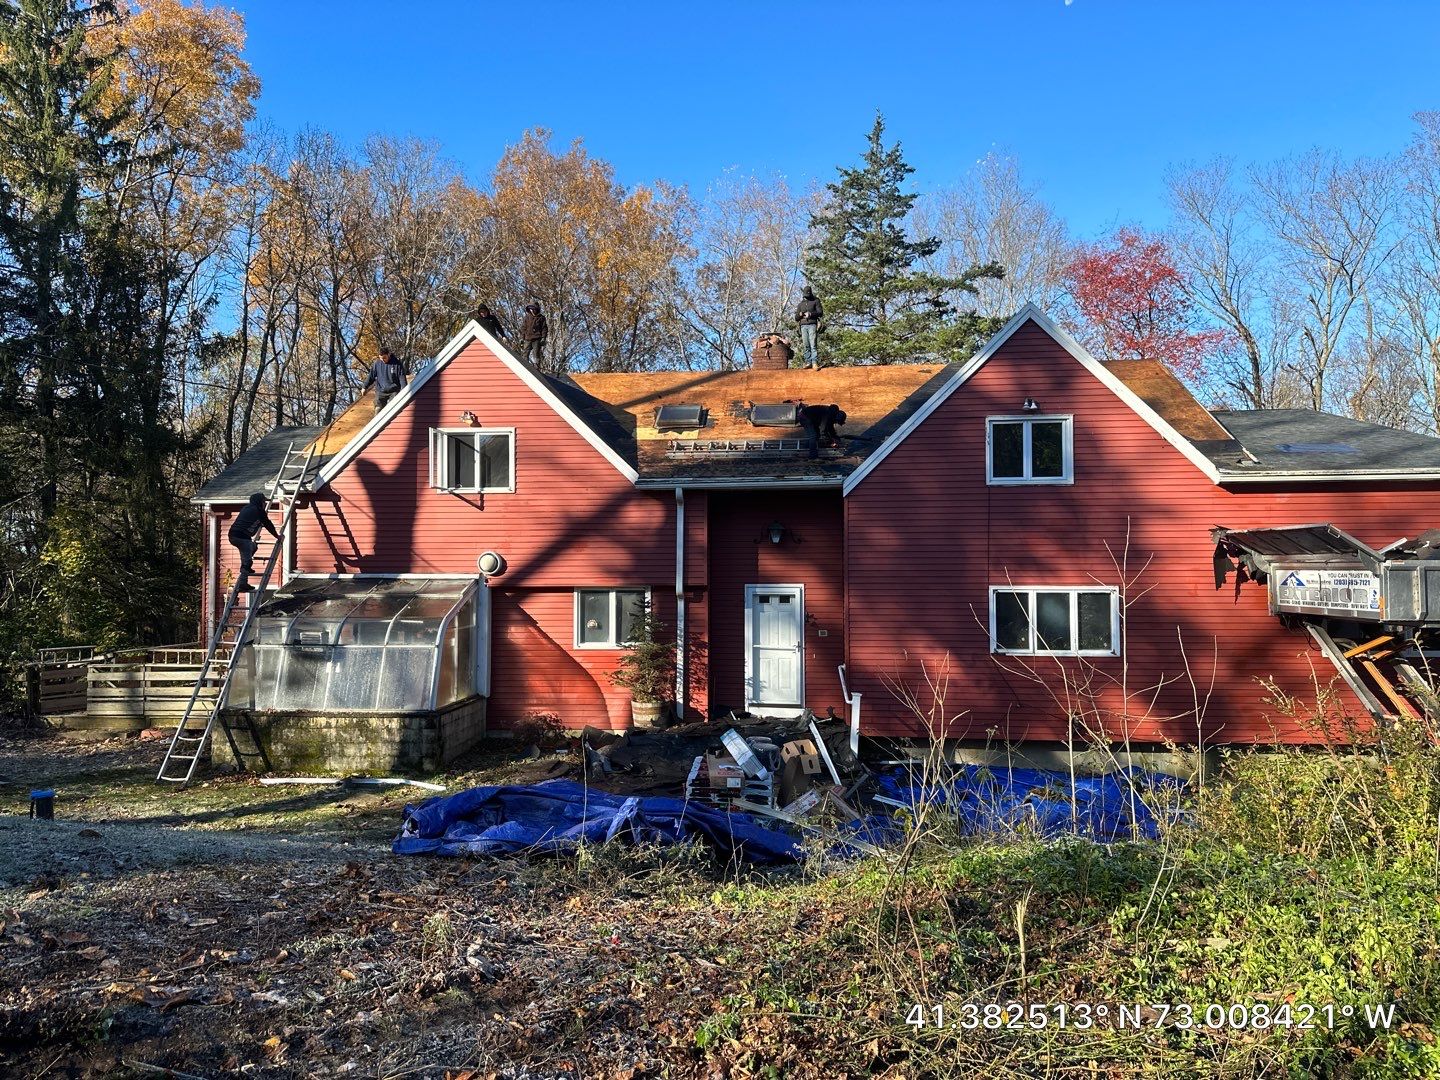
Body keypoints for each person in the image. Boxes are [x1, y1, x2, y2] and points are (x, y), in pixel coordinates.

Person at [228, 492, 279, 592]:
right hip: (242, 537)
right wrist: (277, 536)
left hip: (233, 536)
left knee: (254, 546)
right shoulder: (258, 510)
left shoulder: (246, 508)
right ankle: (243, 583)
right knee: (247, 561)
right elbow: (268, 524)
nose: (265, 504)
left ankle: (246, 569)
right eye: (264, 502)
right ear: (259, 502)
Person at [363, 347, 407, 412]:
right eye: (381, 358)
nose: (383, 360)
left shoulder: (397, 364)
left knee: (392, 408)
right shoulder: (377, 364)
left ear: (389, 354)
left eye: (384, 358)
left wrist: (404, 391)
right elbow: (371, 376)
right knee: (378, 409)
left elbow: (402, 378)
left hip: (393, 391)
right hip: (381, 391)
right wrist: (364, 387)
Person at [794, 286, 823, 367]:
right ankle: (808, 362)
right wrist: (800, 315)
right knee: (806, 344)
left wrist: (810, 314)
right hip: (803, 326)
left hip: (812, 324)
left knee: (813, 343)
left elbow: (820, 312)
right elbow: (796, 318)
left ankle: (814, 362)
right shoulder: (800, 304)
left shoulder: (816, 301)